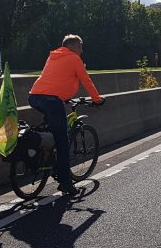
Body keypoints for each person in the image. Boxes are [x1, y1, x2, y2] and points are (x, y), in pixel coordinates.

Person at [28, 34, 105, 195]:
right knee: (63, 141)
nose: (82, 50)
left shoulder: (54, 56)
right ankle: (65, 183)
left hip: (34, 97)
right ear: (73, 46)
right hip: (51, 100)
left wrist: (65, 95)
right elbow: (86, 80)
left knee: (52, 129)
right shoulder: (74, 58)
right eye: (80, 46)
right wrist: (97, 100)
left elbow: (55, 79)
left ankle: (48, 156)